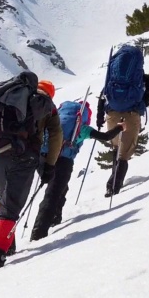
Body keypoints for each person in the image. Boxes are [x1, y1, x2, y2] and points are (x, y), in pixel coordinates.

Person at [0, 74, 61, 272]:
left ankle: (8, 243)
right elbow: (56, 136)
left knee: (5, 199)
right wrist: (49, 165)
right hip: (24, 156)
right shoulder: (46, 106)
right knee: (11, 204)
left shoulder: (3, 96)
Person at [30, 100, 122, 241]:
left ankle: (56, 216)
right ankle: (38, 233)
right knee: (52, 194)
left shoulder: (55, 120)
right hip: (63, 162)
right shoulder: (81, 128)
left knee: (59, 187)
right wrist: (120, 127)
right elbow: (106, 137)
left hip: (43, 159)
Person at [97, 45, 149, 197]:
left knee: (116, 147)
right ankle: (114, 187)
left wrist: (99, 117)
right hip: (132, 114)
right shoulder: (142, 79)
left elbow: (103, 96)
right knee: (124, 153)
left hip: (112, 113)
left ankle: (112, 184)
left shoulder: (112, 78)